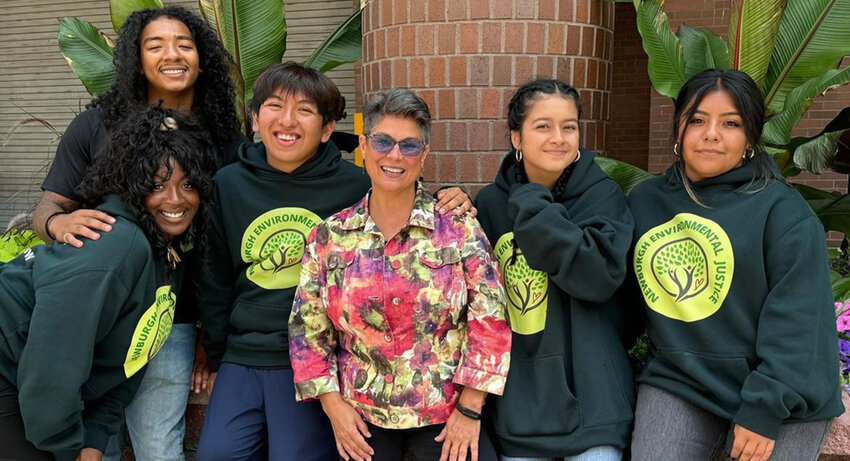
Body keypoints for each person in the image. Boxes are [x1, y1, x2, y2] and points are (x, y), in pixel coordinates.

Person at [197, 63, 475, 461]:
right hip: (245, 353)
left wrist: (454, 196)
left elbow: (405, 199)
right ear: (255, 119)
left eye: (305, 110)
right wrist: (219, 354)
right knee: (217, 454)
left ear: (328, 129)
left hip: (317, 357)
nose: (288, 120)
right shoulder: (228, 183)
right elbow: (217, 277)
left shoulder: (354, 185)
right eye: (275, 106)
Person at [31, 6, 241, 459]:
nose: (173, 54)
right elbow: (49, 204)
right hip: (96, 316)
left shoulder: (224, 136)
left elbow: (223, 244)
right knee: (91, 443)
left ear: (202, 58)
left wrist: (209, 337)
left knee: (158, 447)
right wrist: (57, 222)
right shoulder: (96, 125)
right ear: (136, 59)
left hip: (170, 319)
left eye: (185, 44)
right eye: (156, 45)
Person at [627, 69, 845, 461]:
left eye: (731, 123)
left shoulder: (781, 211)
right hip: (682, 381)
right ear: (678, 128)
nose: (711, 133)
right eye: (697, 120)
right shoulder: (644, 202)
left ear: (750, 138)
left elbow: (799, 317)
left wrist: (765, 406)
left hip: (783, 392)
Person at [289, 88, 511, 461]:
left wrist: (470, 410)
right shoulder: (329, 237)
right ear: (363, 145)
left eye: (409, 146)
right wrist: (333, 407)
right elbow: (306, 330)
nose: (394, 155)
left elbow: (490, 320)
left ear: (423, 155)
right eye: (383, 142)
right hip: (362, 414)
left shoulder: (458, 228)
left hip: (446, 414)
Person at [0, 107, 215, 461]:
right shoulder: (118, 245)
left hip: (30, 377)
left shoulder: (168, 251)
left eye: (188, 184)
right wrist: (70, 446)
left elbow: (130, 363)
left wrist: (94, 439)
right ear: (134, 184)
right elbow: (51, 366)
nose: (175, 199)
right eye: (157, 185)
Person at [473, 79, 636, 461]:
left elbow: (596, 278)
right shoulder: (490, 205)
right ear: (516, 136)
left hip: (594, 405)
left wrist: (531, 202)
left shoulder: (603, 197)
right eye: (542, 126)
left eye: (569, 126)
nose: (558, 138)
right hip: (521, 409)